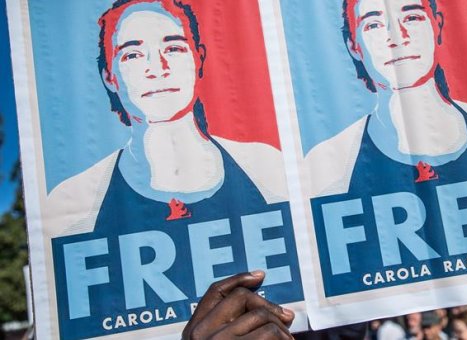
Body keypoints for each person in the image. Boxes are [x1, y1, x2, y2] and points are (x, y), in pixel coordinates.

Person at [45, 0, 288, 237]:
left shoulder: (266, 168)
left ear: (198, 58)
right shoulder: (75, 202)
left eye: (173, 49)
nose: (158, 68)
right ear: (109, 77)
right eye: (132, 55)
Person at [305, 0, 467, 198]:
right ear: (354, 46)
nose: (397, 38)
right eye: (374, 25)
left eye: (412, 18)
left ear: (436, 25)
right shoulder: (330, 164)